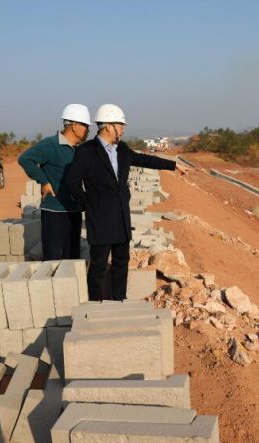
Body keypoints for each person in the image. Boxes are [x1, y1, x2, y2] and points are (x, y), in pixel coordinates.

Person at [68, 104, 184, 301]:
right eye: (121, 126)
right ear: (108, 126)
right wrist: (86, 204)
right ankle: (94, 305)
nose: (123, 130)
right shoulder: (87, 151)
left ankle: (119, 300)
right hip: (100, 219)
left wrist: (173, 165)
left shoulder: (121, 149)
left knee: (121, 263)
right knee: (98, 266)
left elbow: (144, 159)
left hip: (121, 218)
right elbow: (72, 181)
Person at [18, 104, 91, 260]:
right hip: (54, 211)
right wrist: (44, 181)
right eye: (86, 125)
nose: (88, 130)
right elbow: (25, 159)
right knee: (53, 257)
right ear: (74, 125)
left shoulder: (80, 149)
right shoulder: (51, 144)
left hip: (74, 211)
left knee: (72, 257)